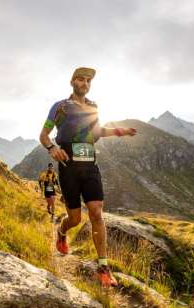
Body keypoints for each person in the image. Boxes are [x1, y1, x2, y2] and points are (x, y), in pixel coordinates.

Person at [39, 67, 137, 287]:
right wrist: (52, 148)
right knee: (75, 219)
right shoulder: (60, 107)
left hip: (90, 166)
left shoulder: (93, 107)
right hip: (68, 167)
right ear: (72, 82)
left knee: (96, 212)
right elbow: (43, 134)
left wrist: (121, 131)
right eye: (81, 80)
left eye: (88, 81)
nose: (85, 83)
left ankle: (103, 267)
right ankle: (62, 231)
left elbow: (98, 131)